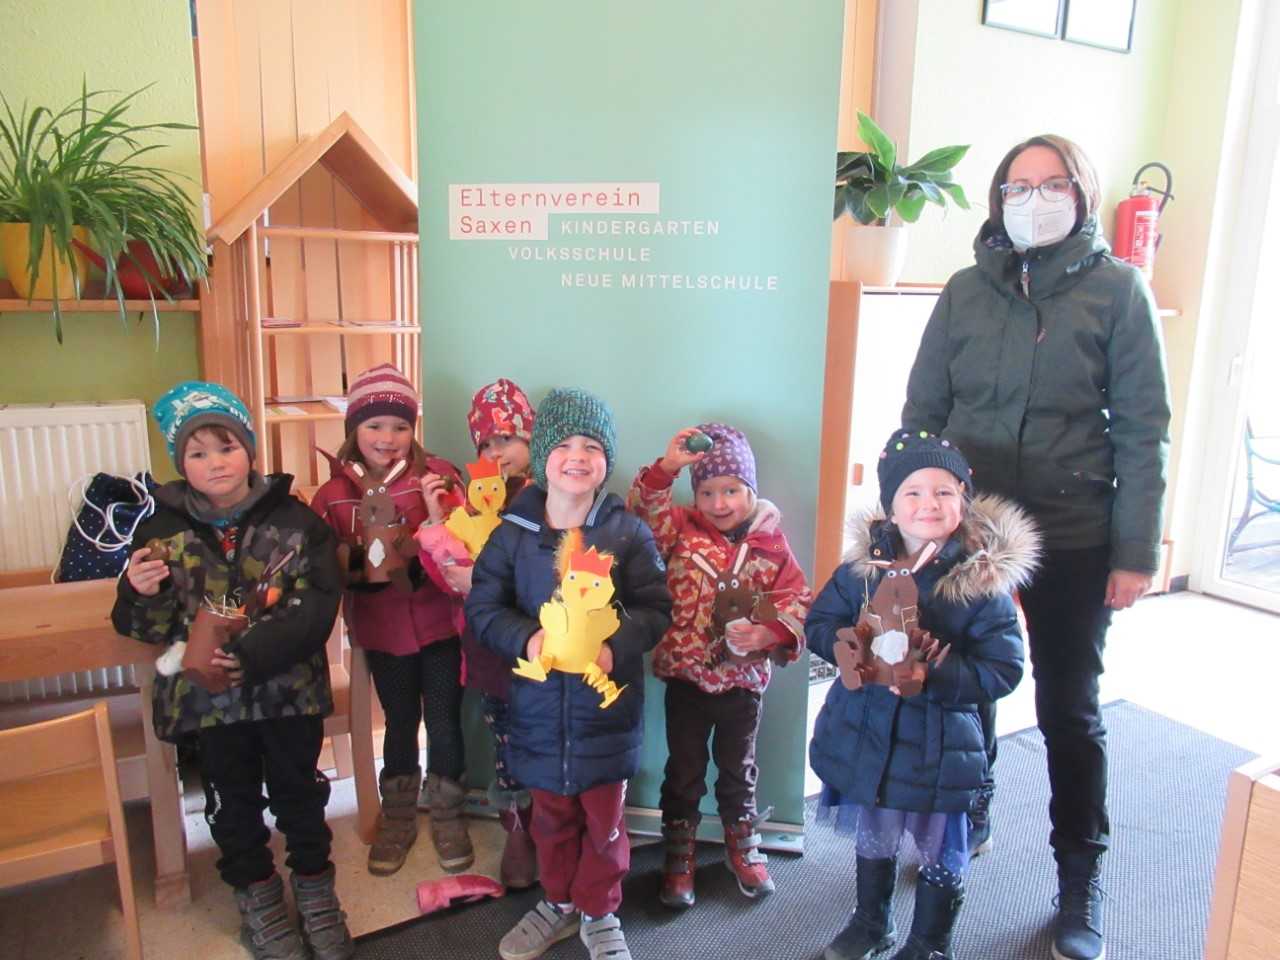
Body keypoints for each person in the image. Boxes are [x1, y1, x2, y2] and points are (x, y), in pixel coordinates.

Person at [901, 134, 1172, 960]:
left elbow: (1143, 431)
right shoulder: (965, 291)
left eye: (1052, 184)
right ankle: (971, 807)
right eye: (1017, 187)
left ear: (1082, 195)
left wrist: (1135, 552)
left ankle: (1079, 874)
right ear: (998, 199)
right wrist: (910, 518)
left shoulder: (1119, 291)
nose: (1034, 200)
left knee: (1067, 708)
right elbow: (921, 416)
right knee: (964, 684)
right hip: (970, 528)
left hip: (1074, 530)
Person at [112, 381, 352, 960]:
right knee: (230, 802)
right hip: (209, 704)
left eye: (226, 447)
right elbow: (144, 627)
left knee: (300, 792)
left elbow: (317, 603)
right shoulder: (160, 532)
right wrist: (140, 591)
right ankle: (257, 893)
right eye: (198, 453)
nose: (215, 462)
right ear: (181, 464)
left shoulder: (297, 522)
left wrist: (252, 654)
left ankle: (314, 887)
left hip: (287, 692)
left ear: (249, 450)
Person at [808, 430, 1037, 960]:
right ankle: (871, 923)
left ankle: (930, 943)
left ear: (963, 501)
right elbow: (819, 621)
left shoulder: (981, 583)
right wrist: (847, 644)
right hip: (869, 730)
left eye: (943, 492)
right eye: (912, 492)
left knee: (939, 848)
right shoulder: (862, 570)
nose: (928, 504)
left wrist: (934, 672)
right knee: (876, 831)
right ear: (891, 506)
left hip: (940, 745)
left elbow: (1004, 669)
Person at [466, 387, 672, 960]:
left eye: (592, 446)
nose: (577, 456)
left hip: (606, 716)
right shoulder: (511, 533)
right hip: (534, 716)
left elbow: (656, 608)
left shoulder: (628, 533)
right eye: (563, 444)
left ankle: (600, 910)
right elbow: (483, 607)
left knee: (606, 825)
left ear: (607, 459)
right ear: (541, 457)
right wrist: (527, 638)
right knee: (551, 821)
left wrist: (614, 648)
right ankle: (558, 902)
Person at [626, 423, 810, 908]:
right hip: (686, 679)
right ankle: (678, 851)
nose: (719, 503)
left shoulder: (772, 543)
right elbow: (642, 513)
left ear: (750, 490)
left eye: (731, 491)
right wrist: (667, 469)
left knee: (737, 770)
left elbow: (797, 599)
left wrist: (770, 632)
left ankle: (741, 842)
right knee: (683, 770)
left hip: (742, 683)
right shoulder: (680, 530)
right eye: (707, 492)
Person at [309, 363, 471, 876]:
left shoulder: (437, 476)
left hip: (441, 626)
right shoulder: (332, 495)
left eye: (401, 426)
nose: (388, 437)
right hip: (381, 632)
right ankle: (397, 814)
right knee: (400, 723)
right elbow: (319, 565)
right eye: (375, 425)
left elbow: (468, 544)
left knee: (444, 721)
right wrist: (365, 563)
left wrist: (436, 527)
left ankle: (447, 811)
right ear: (353, 428)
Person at [417, 377, 539, 888]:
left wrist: (484, 582)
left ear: (530, 438)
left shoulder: (547, 497)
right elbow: (445, 575)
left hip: (539, 651)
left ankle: (548, 827)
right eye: (486, 444)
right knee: (506, 745)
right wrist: (436, 520)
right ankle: (518, 830)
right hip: (488, 654)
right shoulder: (471, 504)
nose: (496, 452)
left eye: (507, 438)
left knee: (544, 740)